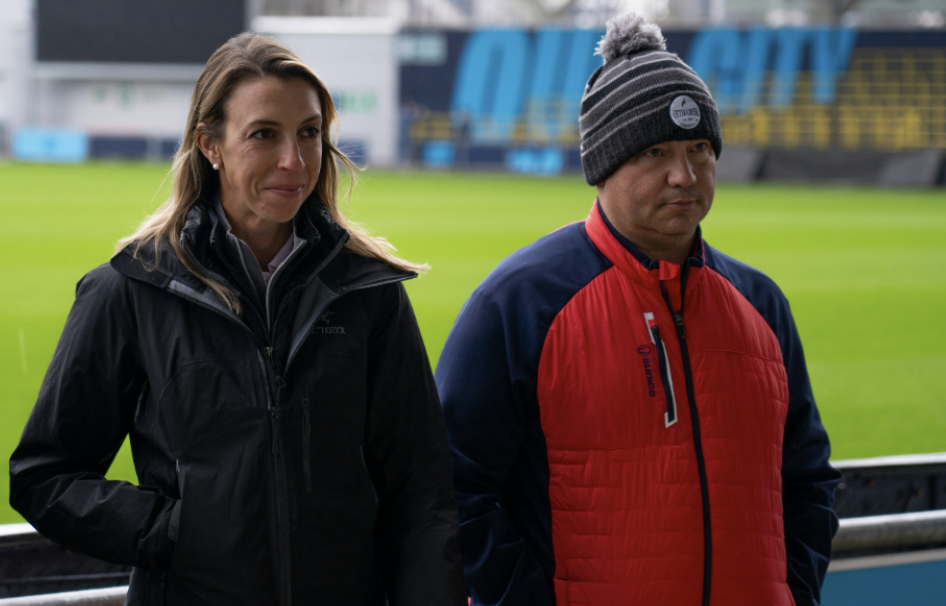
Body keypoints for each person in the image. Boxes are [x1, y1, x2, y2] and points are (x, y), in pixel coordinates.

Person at [10, 33, 466, 606]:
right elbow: (45, 476)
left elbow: (421, 494)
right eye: (263, 134)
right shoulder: (128, 289)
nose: (293, 161)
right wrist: (172, 532)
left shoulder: (366, 291)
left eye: (309, 133)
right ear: (210, 145)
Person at [436, 13, 840, 606]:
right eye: (655, 152)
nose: (685, 175)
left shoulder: (760, 304)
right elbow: (451, 487)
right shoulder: (520, 303)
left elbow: (807, 481)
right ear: (604, 165)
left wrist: (792, 593)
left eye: (700, 148)